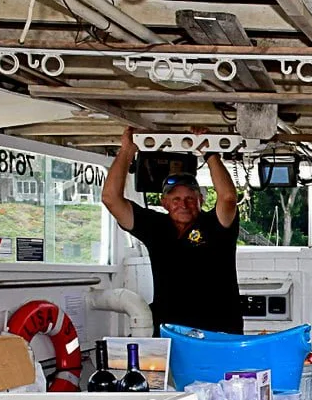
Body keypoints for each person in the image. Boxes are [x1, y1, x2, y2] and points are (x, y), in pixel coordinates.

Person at [101, 126, 242, 334]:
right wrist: (127, 151)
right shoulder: (155, 226)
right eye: (175, 199)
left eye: (190, 199)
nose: (183, 204)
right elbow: (110, 199)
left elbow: (228, 197)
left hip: (219, 333)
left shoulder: (217, 224)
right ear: (164, 203)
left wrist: (210, 153)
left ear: (201, 200)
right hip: (170, 333)